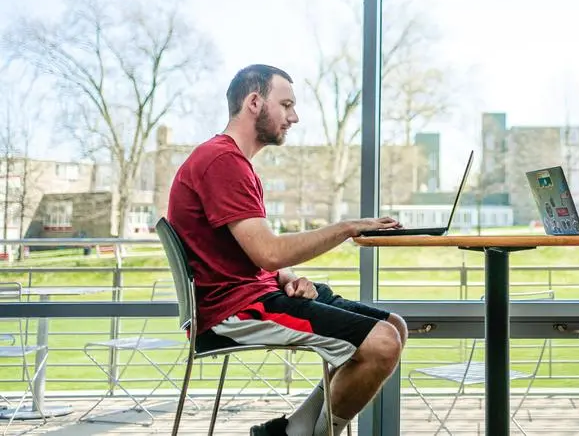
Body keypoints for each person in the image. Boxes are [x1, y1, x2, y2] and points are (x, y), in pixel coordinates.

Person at [166, 64, 405, 436]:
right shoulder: (222, 162)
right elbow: (270, 252)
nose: (294, 117)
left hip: (258, 292)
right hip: (234, 310)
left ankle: (291, 431)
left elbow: (256, 256)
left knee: (394, 327)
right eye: (287, 104)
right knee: (382, 343)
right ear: (254, 102)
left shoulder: (232, 162)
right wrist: (346, 227)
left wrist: (288, 277)